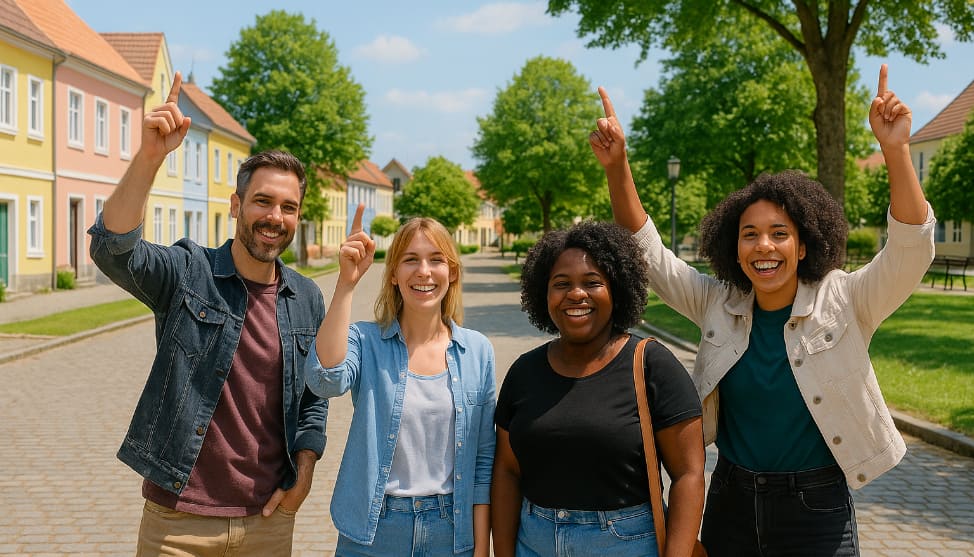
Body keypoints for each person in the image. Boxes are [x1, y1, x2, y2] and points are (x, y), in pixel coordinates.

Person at [588, 65, 935, 556]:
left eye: (779, 233)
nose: (763, 246)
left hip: (817, 508)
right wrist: (616, 165)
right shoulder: (717, 302)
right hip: (732, 499)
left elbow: (909, 252)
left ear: (802, 246)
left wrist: (896, 151)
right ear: (734, 247)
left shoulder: (846, 299)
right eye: (749, 234)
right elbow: (649, 255)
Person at [88, 72, 327, 556]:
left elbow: (313, 401)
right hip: (178, 521)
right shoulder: (188, 272)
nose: (274, 217)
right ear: (236, 204)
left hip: (267, 522)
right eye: (262, 201)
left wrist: (303, 477)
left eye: (288, 207)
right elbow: (113, 250)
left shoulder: (306, 298)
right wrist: (151, 157)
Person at [491, 220, 706, 557]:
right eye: (561, 283)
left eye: (593, 283)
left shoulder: (652, 366)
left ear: (617, 290)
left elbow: (689, 475)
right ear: (543, 293)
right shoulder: (524, 372)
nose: (576, 294)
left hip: (627, 544)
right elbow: (506, 470)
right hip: (534, 543)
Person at [305, 211, 496, 557]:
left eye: (436, 259)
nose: (423, 271)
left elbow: (483, 460)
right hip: (374, 530)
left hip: (450, 532)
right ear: (393, 274)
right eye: (410, 260)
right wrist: (347, 283)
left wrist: (480, 549)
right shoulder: (366, 340)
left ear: (451, 272)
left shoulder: (477, 351)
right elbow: (325, 380)